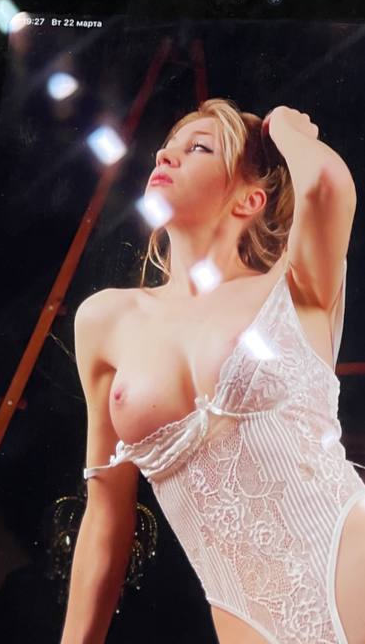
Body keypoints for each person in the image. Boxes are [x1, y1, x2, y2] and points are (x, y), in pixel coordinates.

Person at [61, 99, 365, 644]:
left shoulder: (294, 285)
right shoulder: (106, 321)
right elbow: (107, 515)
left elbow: (324, 185)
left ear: (250, 199)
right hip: (245, 618)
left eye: (198, 147)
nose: (166, 155)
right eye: (167, 147)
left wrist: (285, 127)